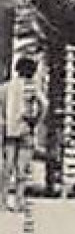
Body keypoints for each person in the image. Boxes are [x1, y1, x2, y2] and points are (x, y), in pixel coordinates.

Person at [2, 56, 42, 212]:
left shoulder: (5, 88)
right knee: (21, 169)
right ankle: (19, 202)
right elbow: (43, 104)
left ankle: (2, 202)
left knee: (7, 168)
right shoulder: (31, 88)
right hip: (25, 130)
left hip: (9, 131)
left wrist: (4, 121)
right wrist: (36, 120)